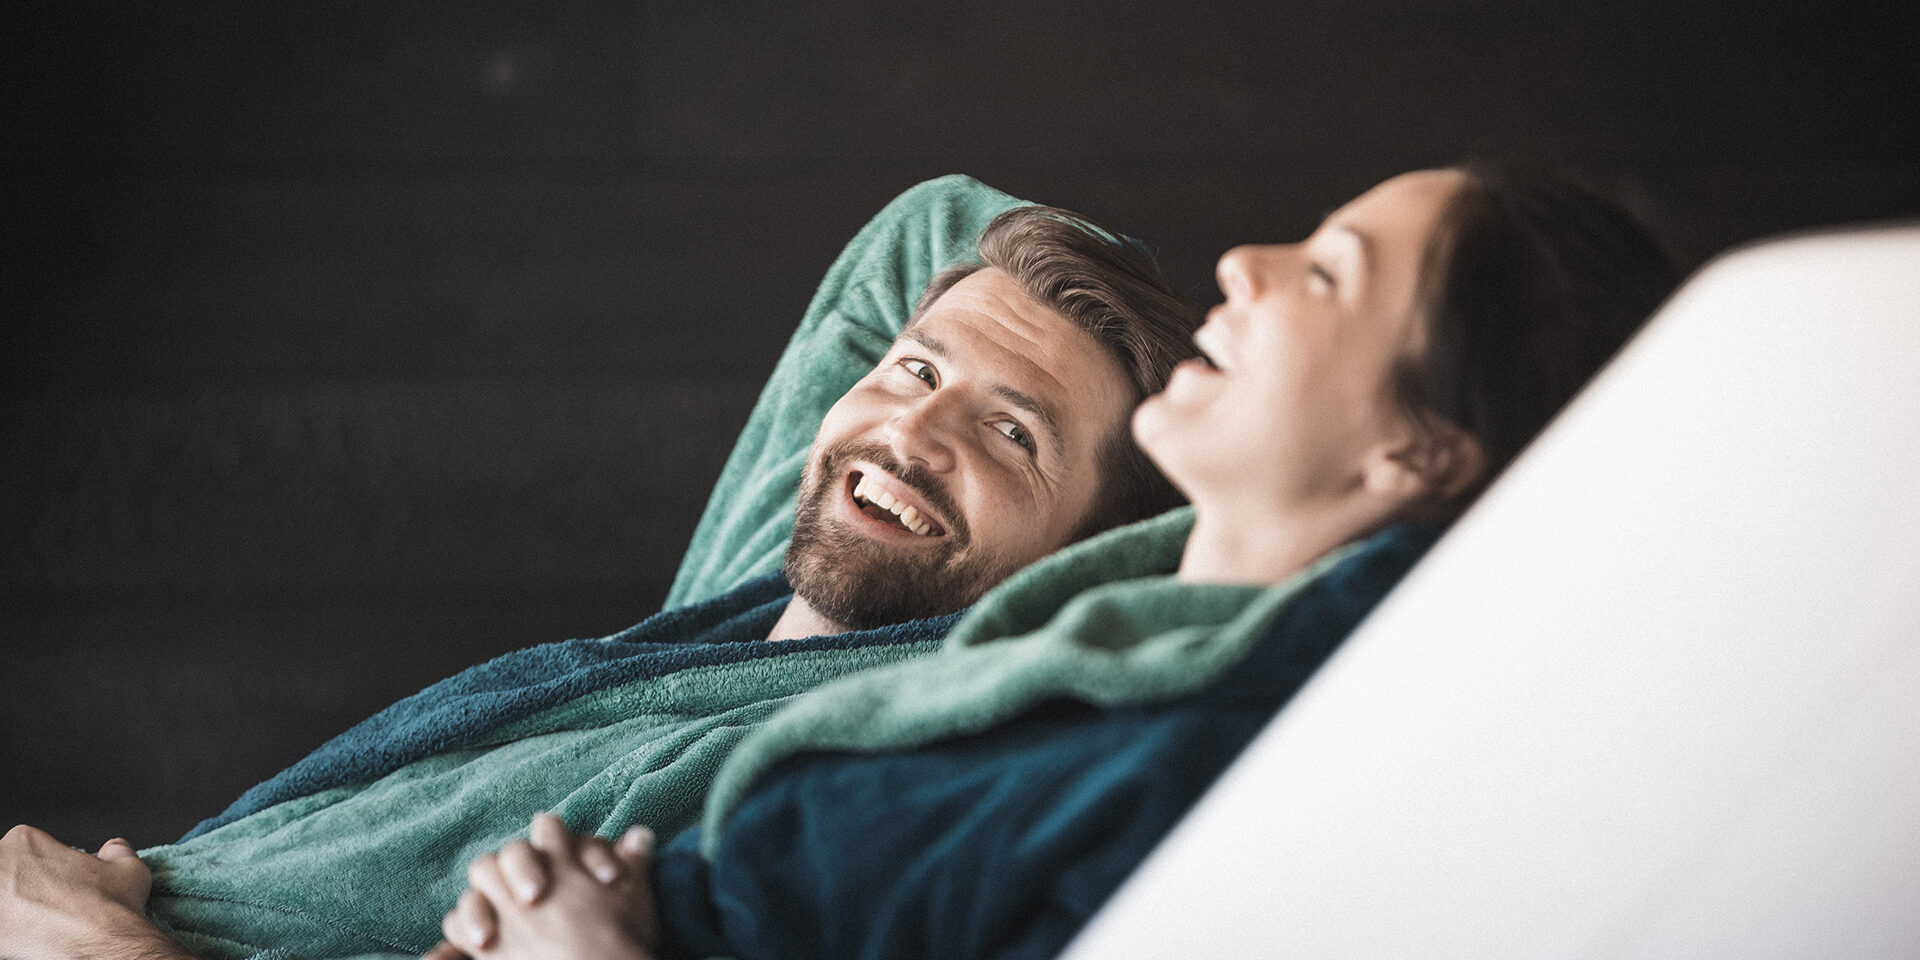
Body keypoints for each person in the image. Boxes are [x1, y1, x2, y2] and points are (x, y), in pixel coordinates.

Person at [423, 161, 1682, 960]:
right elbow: (940, 228)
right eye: (914, 371)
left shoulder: (1234, 766)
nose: (1245, 263)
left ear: (1415, 454)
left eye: (1329, 276)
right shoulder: (1126, 629)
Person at [0, 177, 1201, 960]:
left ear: (1090, 560)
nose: (910, 438)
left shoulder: (825, 776)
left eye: (1012, 435)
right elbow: (933, 229)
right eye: (915, 370)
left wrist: (100, 952)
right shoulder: (740, 611)